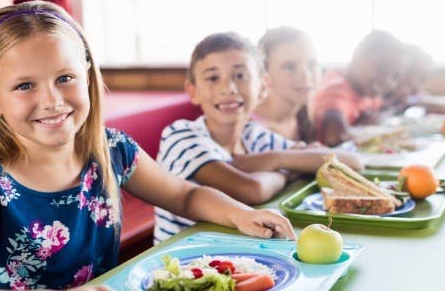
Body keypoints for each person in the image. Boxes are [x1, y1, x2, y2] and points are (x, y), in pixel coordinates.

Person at [0, 1, 295, 291]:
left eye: (64, 78)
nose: (51, 100)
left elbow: (185, 195)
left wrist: (241, 215)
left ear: (87, 76)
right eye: (24, 86)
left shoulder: (111, 149)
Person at [153, 32, 363, 244]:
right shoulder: (180, 136)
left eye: (240, 75)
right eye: (213, 78)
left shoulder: (253, 135)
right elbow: (251, 189)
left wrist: (275, 159)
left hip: (238, 252)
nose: (228, 88)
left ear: (263, 87)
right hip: (182, 262)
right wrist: (288, 167)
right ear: (193, 90)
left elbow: (351, 162)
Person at [311, 30, 405, 146]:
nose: (386, 81)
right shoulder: (337, 90)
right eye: (381, 68)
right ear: (358, 57)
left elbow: (377, 114)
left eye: (394, 76)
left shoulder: (368, 93)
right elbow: (333, 137)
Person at [253, 26, 319, 143]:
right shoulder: (250, 130)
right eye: (289, 67)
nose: (305, 76)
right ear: (264, 73)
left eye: (311, 64)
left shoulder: (305, 116)